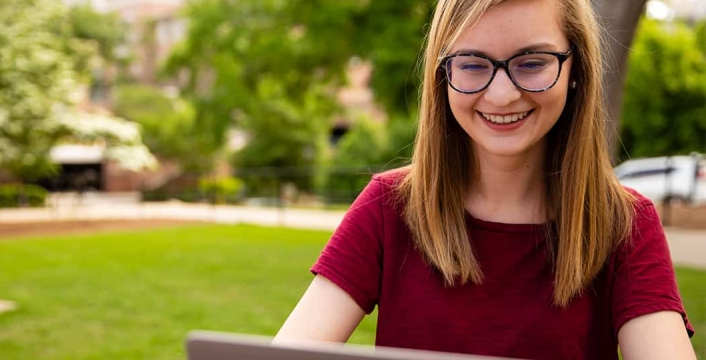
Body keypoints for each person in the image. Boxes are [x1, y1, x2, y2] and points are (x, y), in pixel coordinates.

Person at [274, 0, 697, 359]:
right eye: (473, 64)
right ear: (443, 75)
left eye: (532, 62)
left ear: (577, 71)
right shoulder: (387, 207)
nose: (501, 94)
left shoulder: (624, 224)